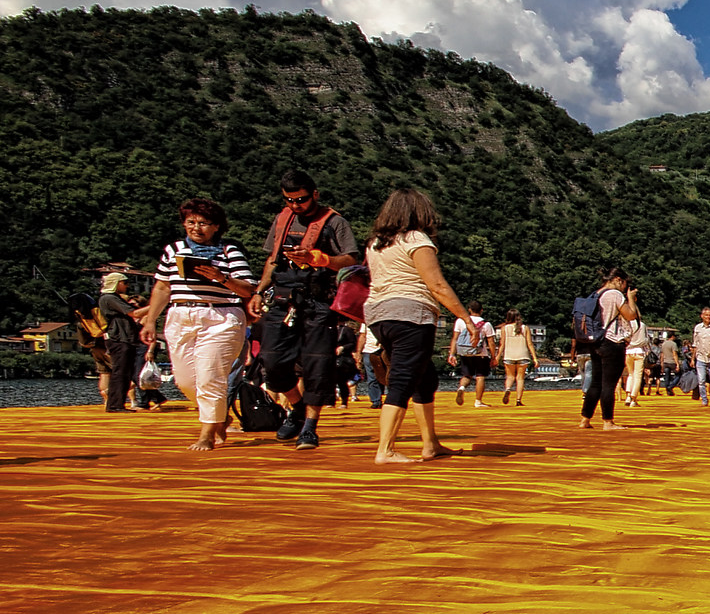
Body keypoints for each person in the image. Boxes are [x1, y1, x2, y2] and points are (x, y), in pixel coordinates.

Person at [252, 170, 362, 452]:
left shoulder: (335, 222)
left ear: (315, 194)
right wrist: (258, 291)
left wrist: (320, 258)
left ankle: (310, 426)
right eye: (289, 200)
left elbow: (352, 259)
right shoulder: (283, 219)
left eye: (300, 199)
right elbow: (272, 259)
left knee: (317, 364)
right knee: (271, 360)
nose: (295, 205)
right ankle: (298, 408)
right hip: (283, 298)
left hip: (319, 301)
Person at [361, 188, 473, 465]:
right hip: (410, 314)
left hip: (378, 315)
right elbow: (437, 285)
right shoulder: (416, 239)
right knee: (403, 379)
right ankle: (385, 450)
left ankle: (430, 444)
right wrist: (466, 318)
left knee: (425, 378)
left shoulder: (375, 243)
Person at [139, 198, 258, 452]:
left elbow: (248, 289)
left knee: (210, 377)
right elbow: (162, 287)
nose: (196, 228)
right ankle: (219, 416)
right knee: (184, 380)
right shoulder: (174, 250)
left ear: (216, 226)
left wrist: (221, 278)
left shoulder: (229, 251)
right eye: (191, 222)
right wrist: (150, 321)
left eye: (203, 223)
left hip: (220, 317)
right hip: (180, 315)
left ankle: (207, 434)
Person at [580, 271, 637, 431]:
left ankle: (585, 419)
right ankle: (608, 421)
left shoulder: (596, 294)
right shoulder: (614, 294)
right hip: (612, 342)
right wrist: (630, 299)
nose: (625, 287)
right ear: (618, 280)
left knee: (595, 382)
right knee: (609, 384)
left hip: (596, 341)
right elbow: (631, 315)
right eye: (625, 283)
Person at [98, 272, 145, 413]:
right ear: (116, 283)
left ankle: (117, 404)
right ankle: (115, 405)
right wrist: (157, 305)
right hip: (119, 339)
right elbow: (134, 313)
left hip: (123, 339)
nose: (127, 286)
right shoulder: (109, 298)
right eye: (124, 283)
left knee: (124, 372)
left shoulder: (113, 298)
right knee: (120, 372)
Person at [449, 302, 495, 407]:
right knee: (480, 376)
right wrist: (493, 357)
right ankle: (478, 401)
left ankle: (462, 388)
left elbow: (455, 338)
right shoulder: (486, 324)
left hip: (464, 352)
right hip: (480, 353)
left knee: (467, 375)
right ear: (481, 310)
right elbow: (491, 342)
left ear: (469, 309)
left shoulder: (460, 321)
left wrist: (452, 354)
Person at [496, 309, 536, 404]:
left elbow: (502, 345)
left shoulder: (504, 328)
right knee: (520, 378)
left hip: (509, 355)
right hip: (523, 355)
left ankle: (508, 389)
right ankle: (518, 400)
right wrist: (535, 358)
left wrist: (497, 357)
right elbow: (530, 344)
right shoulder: (525, 328)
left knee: (510, 377)